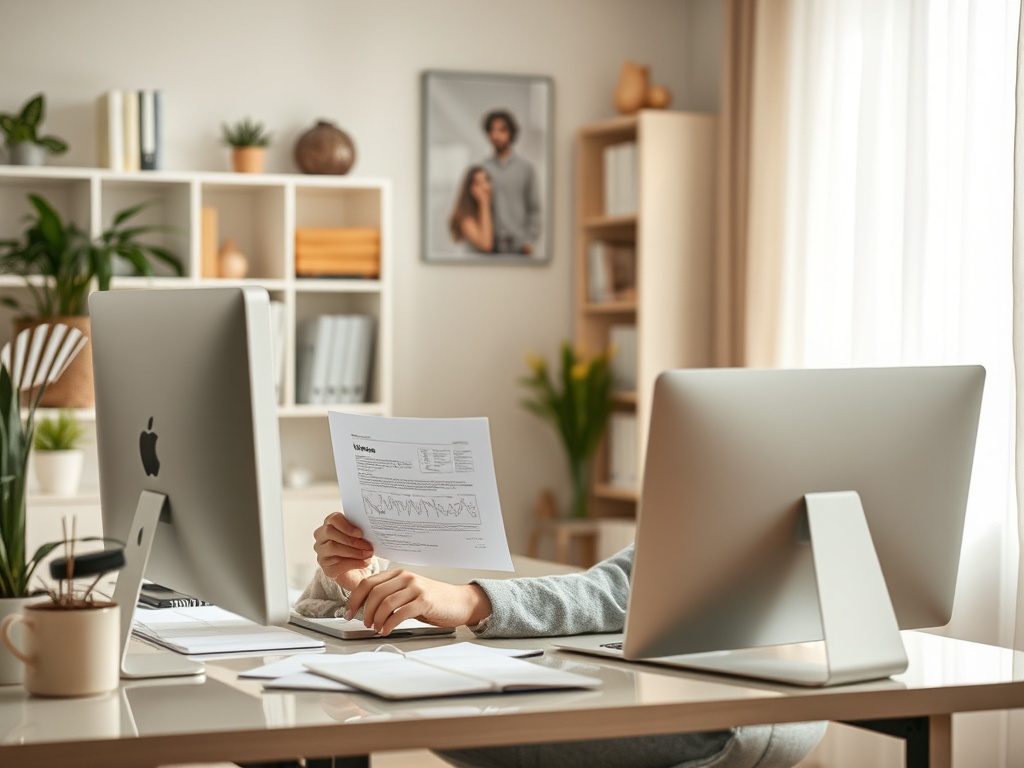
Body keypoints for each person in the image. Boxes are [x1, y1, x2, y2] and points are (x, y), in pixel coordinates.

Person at [294, 512, 827, 768]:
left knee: (435, 708)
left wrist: (472, 602)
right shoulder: (706, 533)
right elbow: (624, 585)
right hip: (739, 688)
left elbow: (614, 590)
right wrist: (354, 583)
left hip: (740, 704)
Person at [480, 109, 541, 256]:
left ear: (511, 133)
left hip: (518, 247)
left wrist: (528, 240)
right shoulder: (482, 169)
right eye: (492, 131)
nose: (497, 135)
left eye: (502, 130)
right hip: (490, 247)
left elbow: (534, 208)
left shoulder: (525, 168)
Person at [449, 165, 495, 253]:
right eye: (478, 183)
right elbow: (486, 245)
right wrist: (484, 203)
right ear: (470, 189)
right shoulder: (465, 219)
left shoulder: (491, 211)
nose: (485, 187)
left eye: (486, 180)